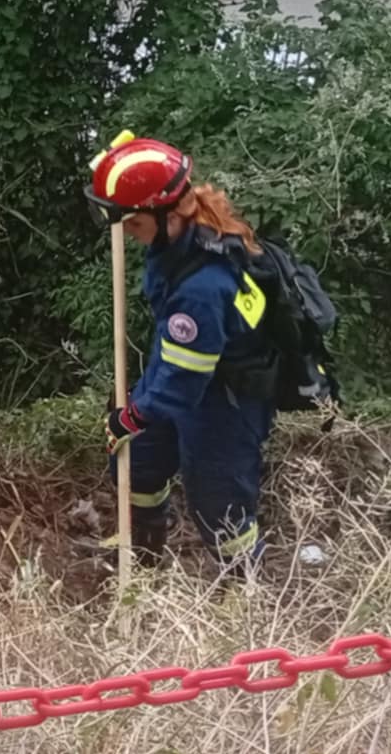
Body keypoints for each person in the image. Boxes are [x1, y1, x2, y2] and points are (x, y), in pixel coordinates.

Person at [89, 134, 277, 570]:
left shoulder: (203, 285)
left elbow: (186, 377)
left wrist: (134, 414)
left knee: (218, 500)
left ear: (168, 214)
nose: (130, 235)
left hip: (225, 400)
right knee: (135, 459)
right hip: (180, 373)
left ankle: (242, 584)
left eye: (134, 224)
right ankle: (145, 544)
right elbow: (174, 357)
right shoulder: (177, 241)